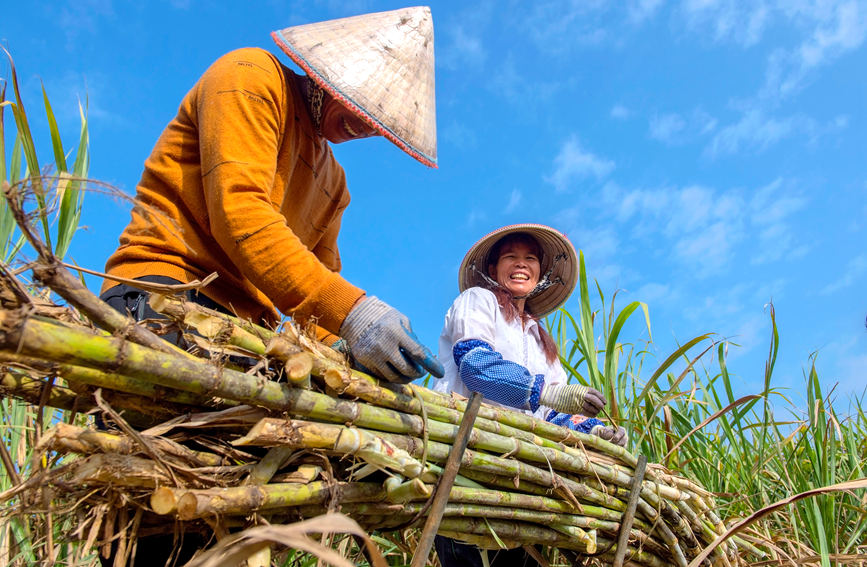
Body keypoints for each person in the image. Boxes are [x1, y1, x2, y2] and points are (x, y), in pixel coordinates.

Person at [100, 7, 443, 386]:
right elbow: (240, 213)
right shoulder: (250, 76)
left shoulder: (335, 184)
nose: (367, 127)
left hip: (249, 336)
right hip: (168, 298)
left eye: (383, 122)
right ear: (333, 72)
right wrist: (356, 313)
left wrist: (352, 348)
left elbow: (318, 289)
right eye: (363, 103)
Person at [432, 223, 627, 567]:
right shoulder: (477, 301)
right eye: (511, 257)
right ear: (493, 269)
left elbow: (551, 417)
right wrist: (547, 392)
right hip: (469, 465)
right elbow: (476, 367)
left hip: (524, 481)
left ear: (541, 272)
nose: (521, 264)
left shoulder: (540, 338)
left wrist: (594, 432)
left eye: (530, 258)